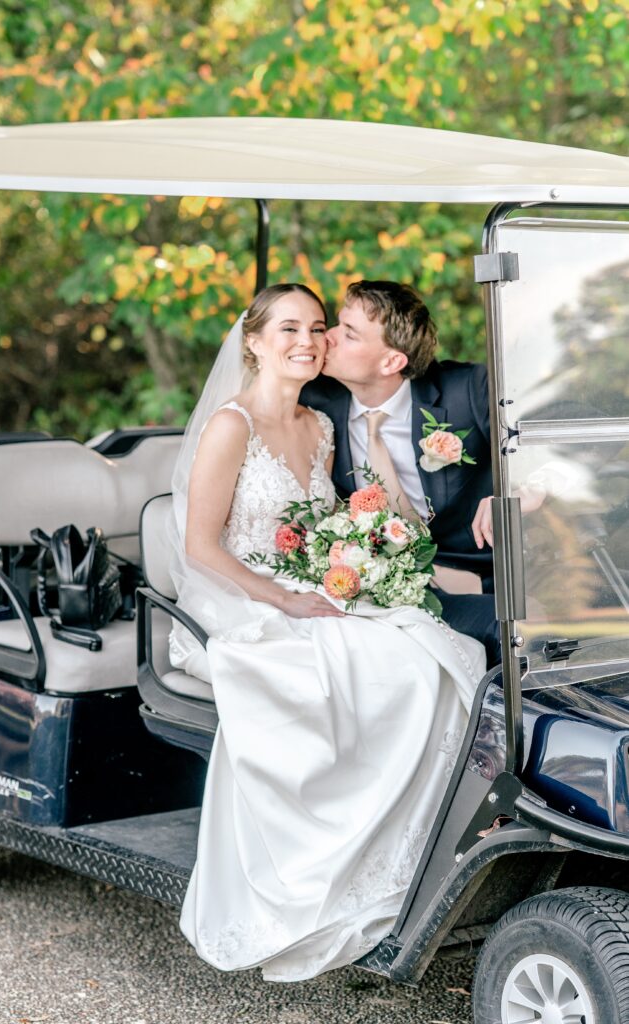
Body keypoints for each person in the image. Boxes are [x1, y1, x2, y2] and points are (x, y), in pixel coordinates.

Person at [169, 283, 485, 983]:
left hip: (310, 583)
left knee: (439, 653)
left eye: (318, 328)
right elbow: (200, 547)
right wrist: (282, 597)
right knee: (379, 667)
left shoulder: (318, 425)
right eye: (289, 328)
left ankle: (408, 850)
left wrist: (347, 571)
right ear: (252, 340)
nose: (308, 341)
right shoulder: (230, 427)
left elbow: (333, 527)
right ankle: (325, 866)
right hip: (239, 595)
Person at [301, 280, 500, 666]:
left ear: (392, 362)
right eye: (337, 324)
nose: (329, 337)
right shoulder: (314, 401)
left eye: (350, 333)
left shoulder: (467, 390)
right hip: (379, 588)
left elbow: (548, 442)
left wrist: (520, 489)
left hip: (484, 582)